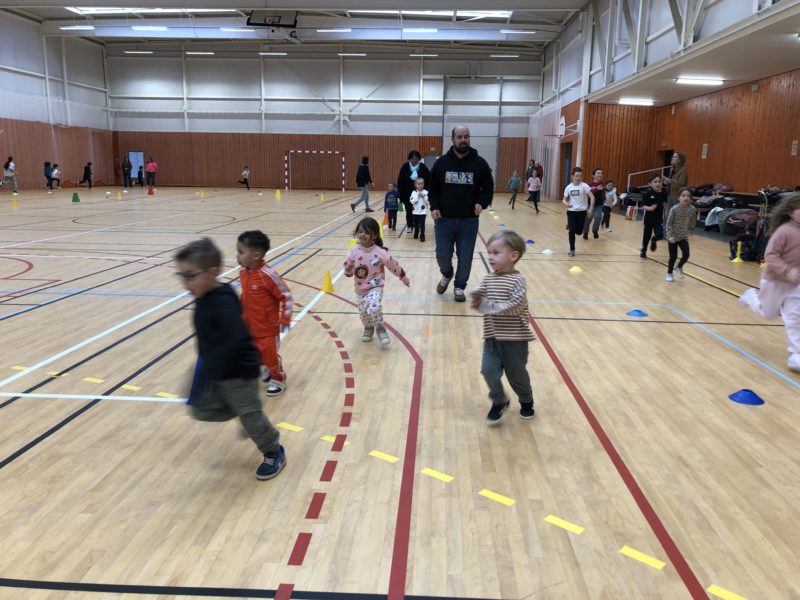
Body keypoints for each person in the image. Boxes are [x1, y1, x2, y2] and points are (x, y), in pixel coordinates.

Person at [174, 238, 286, 480]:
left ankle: (273, 450)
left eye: (190, 276)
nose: (185, 283)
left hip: (239, 372)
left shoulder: (223, 300)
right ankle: (247, 411)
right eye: (181, 276)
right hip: (217, 369)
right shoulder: (203, 297)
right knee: (202, 411)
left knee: (251, 417)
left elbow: (233, 341)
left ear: (212, 272)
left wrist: (208, 371)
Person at [469, 230, 536, 425]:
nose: (490, 257)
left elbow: (515, 307)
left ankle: (526, 400)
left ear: (513, 256)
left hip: (515, 340)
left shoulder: (518, 280)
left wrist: (487, 306)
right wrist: (475, 296)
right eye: (489, 252)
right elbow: (478, 297)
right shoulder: (489, 279)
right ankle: (499, 400)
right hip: (492, 339)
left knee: (517, 376)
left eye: (496, 253)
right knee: (488, 370)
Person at [429, 125, 494, 302]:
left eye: (466, 136)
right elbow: (432, 188)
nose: (463, 140)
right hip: (444, 220)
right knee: (442, 254)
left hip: (469, 221)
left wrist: (482, 203)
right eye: (459, 137)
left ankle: (459, 286)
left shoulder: (480, 163)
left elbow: (488, 188)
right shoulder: (442, 163)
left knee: (465, 257)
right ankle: (447, 273)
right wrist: (434, 207)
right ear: (453, 140)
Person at [738, 193, 800, 372]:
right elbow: (770, 255)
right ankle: (751, 296)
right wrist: (786, 271)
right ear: (791, 211)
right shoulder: (784, 231)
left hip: (796, 284)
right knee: (768, 314)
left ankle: (795, 356)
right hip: (774, 281)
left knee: (795, 318)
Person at [237, 230, 293, 397]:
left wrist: (284, 318)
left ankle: (278, 379)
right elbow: (245, 296)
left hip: (267, 328)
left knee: (270, 356)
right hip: (249, 326)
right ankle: (267, 369)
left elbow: (286, 296)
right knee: (252, 353)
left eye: (241, 252)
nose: (237, 256)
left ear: (256, 255)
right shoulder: (243, 273)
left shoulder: (268, 275)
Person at [343, 217, 410, 345]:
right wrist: (348, 271)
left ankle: (380, 328)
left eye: (366, 232)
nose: (362, 234)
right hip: (360, 288)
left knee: (374, 307)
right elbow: (348, 266)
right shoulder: (354, 251)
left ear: (374, 236)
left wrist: (403, 277)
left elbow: (393, 265)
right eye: (360, 231)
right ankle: (368, 328)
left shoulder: (380, 252)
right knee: (363, 313)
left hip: (375, 286)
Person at [665, 188, 696, 282]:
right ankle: (669, 274)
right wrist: (670, 236)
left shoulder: (692, 209)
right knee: (673, 257)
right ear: (678, 198)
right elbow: (669, 224)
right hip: (673, 237)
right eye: (683, 195)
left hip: (683, 236)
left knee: (686, 254)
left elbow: (692, 220)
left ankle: (679, 266)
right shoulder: (674, 209)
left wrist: (691, 228)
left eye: (688, 196)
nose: (686, 198)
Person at [562, 167, 594, 257]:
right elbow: (564, 199)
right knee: (572, 231)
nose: (578, 177)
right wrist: (567, 203)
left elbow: (592, 197)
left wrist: (590, 209)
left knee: (579, 232)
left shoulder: (585, 186)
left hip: (582, 212)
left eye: (580, 176)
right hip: (571, 212)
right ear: (572, 176)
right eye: (576, 176)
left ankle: (570, 225)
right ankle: (572, 249)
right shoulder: (568, 187)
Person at [397, 150, 431, 235]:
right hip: (407, 194)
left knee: (418, 210)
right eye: (412, 158)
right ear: (410, 159)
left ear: (419, 159)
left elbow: (428, 180)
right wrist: (400, 194)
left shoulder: (423, 167)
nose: (414, 160)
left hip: (420, 194)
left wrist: (426, 192)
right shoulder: (405, 167)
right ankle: (410, 226)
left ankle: (417, 225)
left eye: (416, 158)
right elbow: (400, 181)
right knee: (409, 211)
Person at [639, 172, 668, 260]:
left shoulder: (663, 192)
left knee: (660, 234)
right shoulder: (648, 193)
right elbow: (642, 206)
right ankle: (643, 251)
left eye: (659, 181)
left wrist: (666, 212)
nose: (657, 183)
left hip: (658, 219)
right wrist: (650, 208)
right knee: (646, 236)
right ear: (650, 183)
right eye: (655, 182)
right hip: (649, 219)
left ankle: (654, 239)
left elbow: (665, 203)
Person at [582, 167, 605, 240]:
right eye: (598, 173)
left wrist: (604, 200)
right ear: (593, 175)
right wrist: (596, 188)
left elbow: (603, 194)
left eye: (601, 173)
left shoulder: (602, 184)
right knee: (588, 219)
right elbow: (588, 193)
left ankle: (595, 230)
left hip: (599, 205)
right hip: (589, 205)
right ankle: (585, 232)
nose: (600, 174)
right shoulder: (589, 184)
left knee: (598, 217)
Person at [410, 177, 429, 242]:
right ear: (415, 185)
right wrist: (417, 197)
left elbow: (427, 202)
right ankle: (416, 232)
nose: (420, 185)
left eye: (422, 184)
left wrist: (423, 197)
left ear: (423, 184)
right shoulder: (414, 192)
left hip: (423, 212)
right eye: (419, 184)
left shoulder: (426, 192)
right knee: (416, 224)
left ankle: (422, 235)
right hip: (415, 212)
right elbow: (412, 201)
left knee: (422, 224)